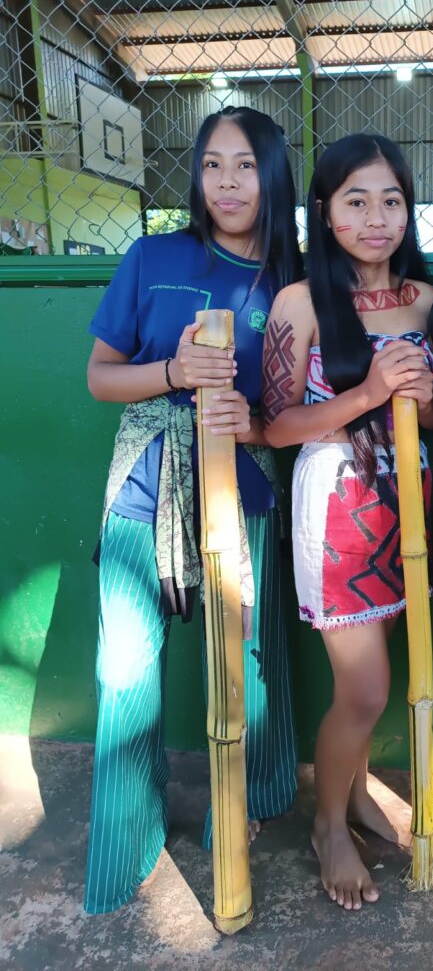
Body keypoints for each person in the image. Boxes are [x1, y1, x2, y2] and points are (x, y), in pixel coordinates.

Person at [83, 106, 302, 914]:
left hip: (240, 490)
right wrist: (173, 370)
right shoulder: (152, 257)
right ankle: (125, 839)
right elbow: (102, 376)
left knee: (243, 667)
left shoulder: (288, 284)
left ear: (271, 175)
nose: (227, 182)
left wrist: (251, 419)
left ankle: (240, 806)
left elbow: (286, 411)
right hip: (142, 483)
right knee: (125, 668)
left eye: (245, 165)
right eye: (212, 165)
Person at [262, 133, 433, 911]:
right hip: (336, 505)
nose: (377, 218)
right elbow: (276, 427)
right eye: (356, 200)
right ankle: (330, 824)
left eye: (392, 200)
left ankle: (363, 793)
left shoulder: (427, 301)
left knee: (383, 672)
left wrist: (422, 396)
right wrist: (372, 393)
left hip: (407, 503)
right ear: (325, 213)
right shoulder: (300, 302)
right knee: (367, 690)